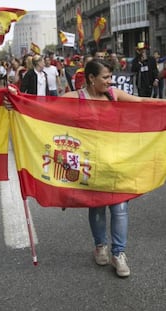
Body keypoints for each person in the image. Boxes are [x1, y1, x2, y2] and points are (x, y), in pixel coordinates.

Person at [62, 59, 166, 278]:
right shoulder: (76, 98)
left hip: (118, 161)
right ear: (91, 78)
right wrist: (14, 102)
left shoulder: (113, 94)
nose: (109, 81)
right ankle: (100, 246)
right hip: (92, 164)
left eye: (110, 77)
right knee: (97, 207)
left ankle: (118, 253)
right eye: (105, 77)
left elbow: (141, 101)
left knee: (120, 208)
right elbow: (41, 106)